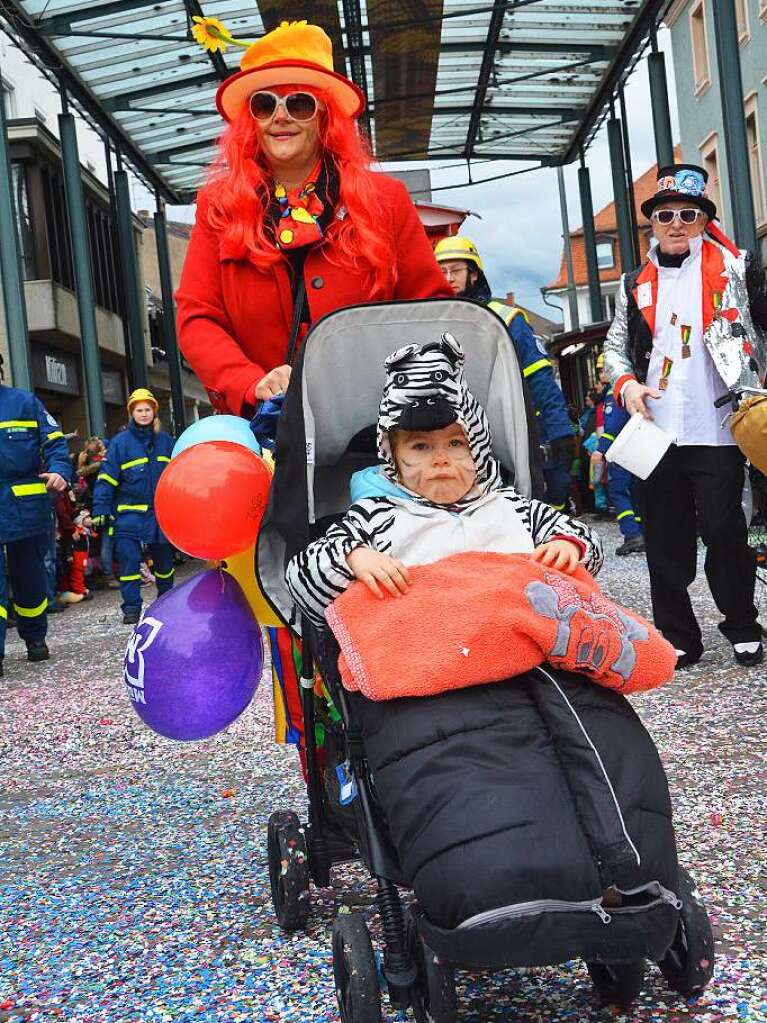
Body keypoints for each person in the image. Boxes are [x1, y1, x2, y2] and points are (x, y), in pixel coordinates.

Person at [176, 18, 451, 417]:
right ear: (251, 121)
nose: (280, 117)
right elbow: (197, 317)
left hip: (375, 423)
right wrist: (250, 382)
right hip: (265, 426)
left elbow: (430, 309)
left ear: (325, 114)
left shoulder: (385, 200)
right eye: (264, 104)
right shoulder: (217, 207)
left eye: (299, 103)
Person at [286, 333, 601, 625]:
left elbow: (582, 536)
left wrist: (568, 545)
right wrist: (354, 557)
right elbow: (303, 578)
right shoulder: (377, 515)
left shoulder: (511, 505)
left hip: (519, 637)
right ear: (392, 459)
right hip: (426, 647)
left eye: (455, 443)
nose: (440, 459)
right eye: (420, 446)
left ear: (478, 447)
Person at [604, 162, 767, 668]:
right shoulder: (634, 282)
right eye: (666, 213)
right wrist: (626, 383)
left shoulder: (738, 269)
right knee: (664, 536)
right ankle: (677, 635)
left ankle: (742, 622)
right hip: (657, 430)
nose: (676, 223)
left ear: (702, 220)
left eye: (689, 214)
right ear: (652, 221)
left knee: (724, 530)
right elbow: (614, 350)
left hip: (719, 424)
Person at [434, 236, 574, 511]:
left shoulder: (507, 318)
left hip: (511, 432)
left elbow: (539, 379)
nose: (448, 278)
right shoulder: (430, 320)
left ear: (473, 274)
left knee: (543, 503)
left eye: (455, 270)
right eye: (441, 271)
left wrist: (559, 431)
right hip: (459, 436)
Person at [0, 353, 70, 676]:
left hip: (24, 509)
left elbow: (55, 444)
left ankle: (35, 637)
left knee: (29, 578)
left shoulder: (25, 403)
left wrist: (59, 471)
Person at [91, 389, 175, 625]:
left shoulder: (166, 441)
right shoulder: (120, 444)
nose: (144, 413)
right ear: (132, 413)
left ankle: (166, 603)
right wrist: (100, 508)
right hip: (129, 514)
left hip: (159, 514)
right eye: (139, 410)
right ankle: (131, 608)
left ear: (154, 412)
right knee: (129, 563)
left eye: (148, 409)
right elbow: (106, 479)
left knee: (165, 564)